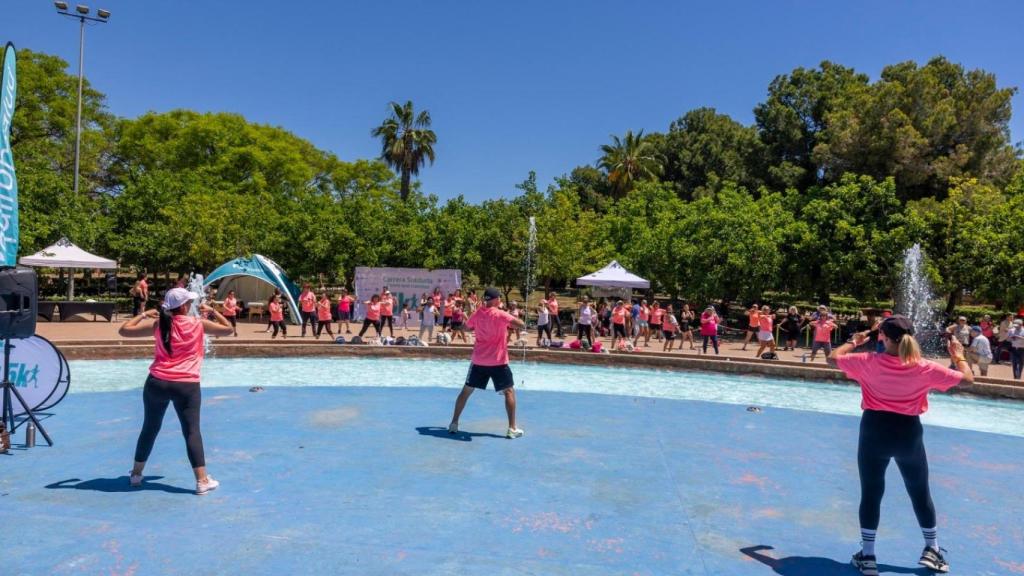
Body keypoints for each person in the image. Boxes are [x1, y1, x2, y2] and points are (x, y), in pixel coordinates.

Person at [829, 315, 972, 575]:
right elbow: (967, 380)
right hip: (908, 434)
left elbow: (832, 358)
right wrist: (959, 355)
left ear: (882, 336)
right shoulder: (924, 367)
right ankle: (932, 549)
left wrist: (854, 341)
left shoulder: (867, 361)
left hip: (874, 431)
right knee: (920, 491)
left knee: (871, 492)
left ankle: (868, 556)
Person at [118, 287, 234, 495]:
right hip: (186, 385)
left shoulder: (159, 323)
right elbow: (228, 329)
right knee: (191, 431)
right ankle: (202, 481)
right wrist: (213, 311)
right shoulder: (198, 324)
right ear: (184, 306)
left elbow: (124, 330)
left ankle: (136, 474)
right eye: (189, 302)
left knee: (150, 428)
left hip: (157, 382)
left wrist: (144, 314)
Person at [447, 287, 526, 439]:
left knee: (466, 391)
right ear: (496, 300)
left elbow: (466, 328)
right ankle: (512, 429)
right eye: (499, 298)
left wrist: (464, 326)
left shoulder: (477, 314)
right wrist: (519, 318)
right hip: (498, 362)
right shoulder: (501, 314)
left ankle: (454, 423)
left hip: (479, 361)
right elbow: (520, 324)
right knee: (509, 392)